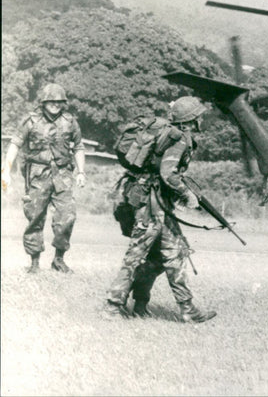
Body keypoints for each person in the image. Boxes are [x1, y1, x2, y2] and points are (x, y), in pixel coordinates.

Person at [103, 96, 216, 323]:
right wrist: (187, 195)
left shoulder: (168, 134)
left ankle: (185, 309)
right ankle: (112, 307)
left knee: (175, 253)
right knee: (136, 256)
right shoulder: (180, 139)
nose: (201, 120)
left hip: (156, 202)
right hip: (150, 206)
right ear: (190, 120)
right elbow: (168, 174)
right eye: (198, 116)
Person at [1, 83, 86, 274]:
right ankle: (34, 262)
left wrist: (81, 172)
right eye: (51, 101)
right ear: (44, 102)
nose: (55, 105)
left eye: (59, 102)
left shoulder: (70, 122)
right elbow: (15, 144)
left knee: (67, 216)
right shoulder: (31, 121)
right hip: (38, 176)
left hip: (63, 175)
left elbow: (79, 147)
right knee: (35, 217)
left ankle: (58, 259)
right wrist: (5, 170)